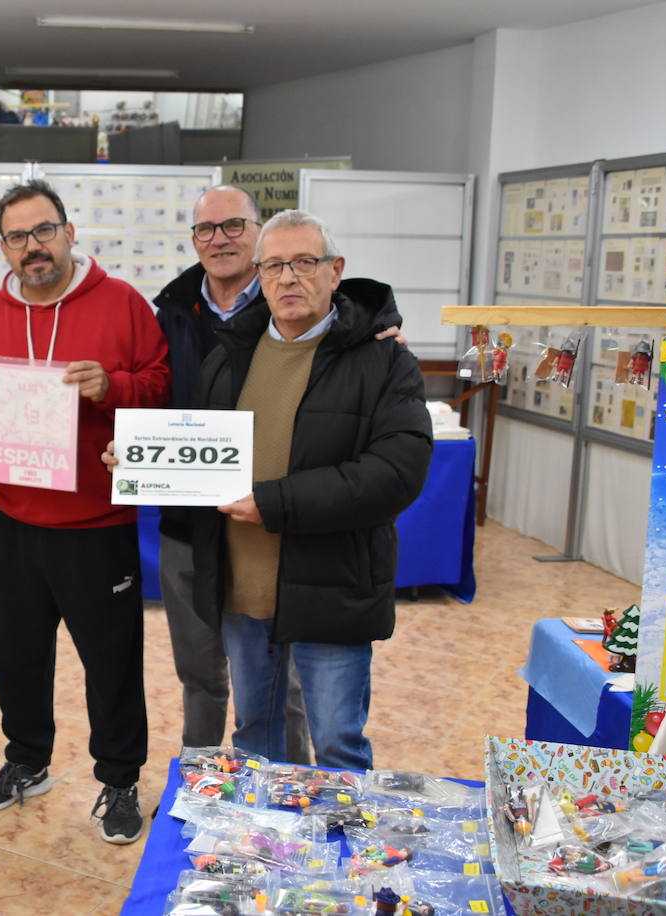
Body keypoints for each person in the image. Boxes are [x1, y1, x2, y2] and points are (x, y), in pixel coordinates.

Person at [0, 180, 170, 844]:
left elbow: (162, 386)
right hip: (15, 523)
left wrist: (114, 387)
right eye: (18, 237)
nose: (33, 246)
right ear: (4, 247)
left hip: (97, 526)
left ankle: (120, 779)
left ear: (70, 232)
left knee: (111, 662)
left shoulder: (124, 303)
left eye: (43, 230)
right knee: (16, 656)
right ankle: (26, 762)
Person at [191, 209, 432, 771]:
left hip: (332, 586)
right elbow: (198, 450)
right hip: (243, 587)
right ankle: (268, 851)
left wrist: (276, 503)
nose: (288, 278)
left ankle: (341, 858)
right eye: (273, 265)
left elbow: (398, 471)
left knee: (338, 745)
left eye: (304, 262)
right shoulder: (229, 356)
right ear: (258, 275)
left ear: (335, 270)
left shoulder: (385, 359)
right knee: (257, 737)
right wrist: (136, 460)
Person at [152, 185, 310, 762]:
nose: (219, 239)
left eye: (234, 226)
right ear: (193, 239)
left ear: (258, 230)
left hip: (259, 522)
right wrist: (130, 446)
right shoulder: (167, 310)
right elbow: (149, 396)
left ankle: (287, 783)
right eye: (206, 229)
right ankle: (199, 779)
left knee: (272, 676)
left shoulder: (293, 304)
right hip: (186, 522)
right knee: (197, 668)